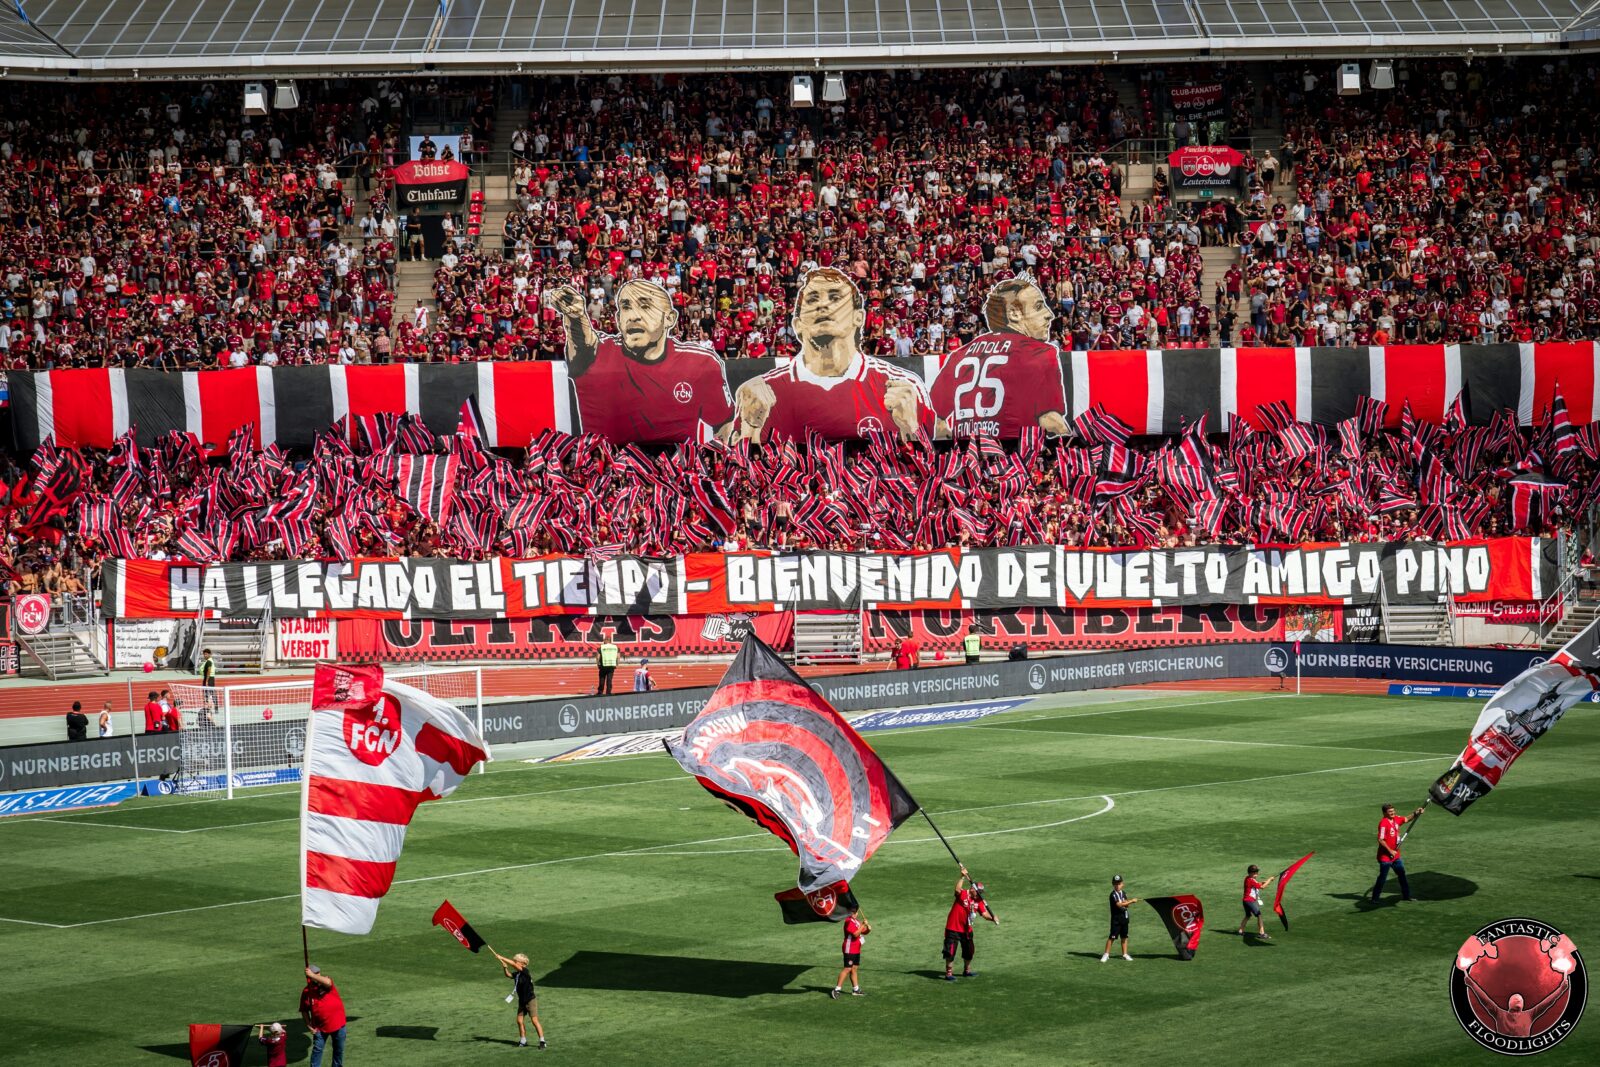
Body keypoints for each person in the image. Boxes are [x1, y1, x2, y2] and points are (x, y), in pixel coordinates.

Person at [734, 268, 933, 442]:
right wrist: (749, 428)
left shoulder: (904, 386)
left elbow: (942, 443)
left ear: (859, 317)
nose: (823, 305)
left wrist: (910, 427)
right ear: (797, 325)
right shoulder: (761, 392)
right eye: (813, 299)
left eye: (835, 298)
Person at [549, 280, 734, 442]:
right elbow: (583, 345)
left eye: (645, 306)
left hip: (674, 471)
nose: (633, 316)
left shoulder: (700, 363)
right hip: (607, 471)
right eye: (626, 307)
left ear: (669, 319)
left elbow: (725, 423)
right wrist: (576, 317)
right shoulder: (599, 353)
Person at [931, 277, 1070, 438]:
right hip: (1013, 452)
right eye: (1039, 306)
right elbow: (1050, 420)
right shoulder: (1040, 352)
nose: (1049, 314)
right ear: (1014, 314)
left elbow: (935, 418)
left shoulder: (959, 354)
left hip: (968, 453)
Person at [942, 866, 998, 980]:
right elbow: (957, 890)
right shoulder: (963, 894)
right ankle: (949, 973)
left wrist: (992, 918)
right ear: (972, 889)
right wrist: (962, 876)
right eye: (978, 892)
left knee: (969, 951)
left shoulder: (979, 901)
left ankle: (967, 971)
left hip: (967, 930)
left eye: (981, 893)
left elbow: (984, 914)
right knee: (950, 951)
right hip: (953, 928)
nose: (980, 895)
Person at [1371, 803, 1425, 903]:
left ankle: (1406, 896)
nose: (1393, 813)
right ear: (1384, 813)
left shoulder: (1396, 819)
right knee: (1382, 878)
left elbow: (1406, 819)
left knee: (1402, 875)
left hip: (1396, 856)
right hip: (1385, 857)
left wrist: (1416, 813)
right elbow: (1381, 839)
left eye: (1393, 811)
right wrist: (1390, 850)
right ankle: (1375, 898)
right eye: (1390, 812)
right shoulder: (1383, 823)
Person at [494, 950, 546, 1049]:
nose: (515, 962)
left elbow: (513, 964)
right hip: (521, 1001)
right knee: (519, 1020)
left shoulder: (525, 972)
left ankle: (542, 1041)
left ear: (523, 964)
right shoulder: (517, 974)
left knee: (534, 1020)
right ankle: (523, 1040)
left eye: (516, 961)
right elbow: (508, 975)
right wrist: (505, 968)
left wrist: (501, 957)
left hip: (530, 1000)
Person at [299, 965, 347, 1067]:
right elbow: (304, 1011)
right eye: (316, 973)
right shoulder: (306, 992)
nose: (319, 975)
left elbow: (328, 982)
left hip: (338, 1024)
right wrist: (308, 1025)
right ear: (309, 977)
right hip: (319, 1028)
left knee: (338, 1050)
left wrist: (312, 975)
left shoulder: (326, 982)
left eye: (318, 973)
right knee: (317, 1051)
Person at [832, 905, 870, 998]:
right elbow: (856, 934)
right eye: (851, 912)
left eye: (854, 912)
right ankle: (836, 989)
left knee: (854, 969)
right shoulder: (848, 921)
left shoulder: (856, 921)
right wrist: (863, 925)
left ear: (857, 913)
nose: (853, 914)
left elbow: (863, 931)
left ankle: (856, 989)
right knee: (847, 968)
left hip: (856, 949)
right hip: (849, 949)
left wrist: (868, 928)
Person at [1102, 874, 1138, 962]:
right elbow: (1119, 904)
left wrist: (1129, 902)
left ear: (1122, 884)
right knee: (1112, 937)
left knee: (1124, 937)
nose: (1117, 885)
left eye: (1119, 883)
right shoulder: (1113, 895)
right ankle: (1106, 954)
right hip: (1116, 920)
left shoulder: (1123, 893)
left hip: (1124, 918)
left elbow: (1126, 904)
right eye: (1115, 884)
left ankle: (1125, 954)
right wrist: (1132, 901)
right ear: (1113, 884)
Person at [1237, 864, 1277, 938]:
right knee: (1259, 915)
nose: (1257, 874)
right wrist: (1269, 880)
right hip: (1250, 901)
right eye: (1256, 872)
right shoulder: (1252, 880)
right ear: (1251, 873)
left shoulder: (1247, 878)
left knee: (1248, 915)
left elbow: (1256, 885)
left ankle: (1240, 930)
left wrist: (1262, 882)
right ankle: (1261, 933)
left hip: (1245, 901)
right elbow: (1262, 887)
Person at [201, 648, 219, 716]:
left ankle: (208, 709)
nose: (204, 655)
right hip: (211, 678)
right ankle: (215, 708)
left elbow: (209, 670)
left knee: (207, 694)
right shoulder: (210, 661)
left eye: (206, 654)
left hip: (209, 679)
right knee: (212, 693)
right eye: (204, 654)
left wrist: (207, 681)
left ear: (209, 654)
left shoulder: (209, 662)